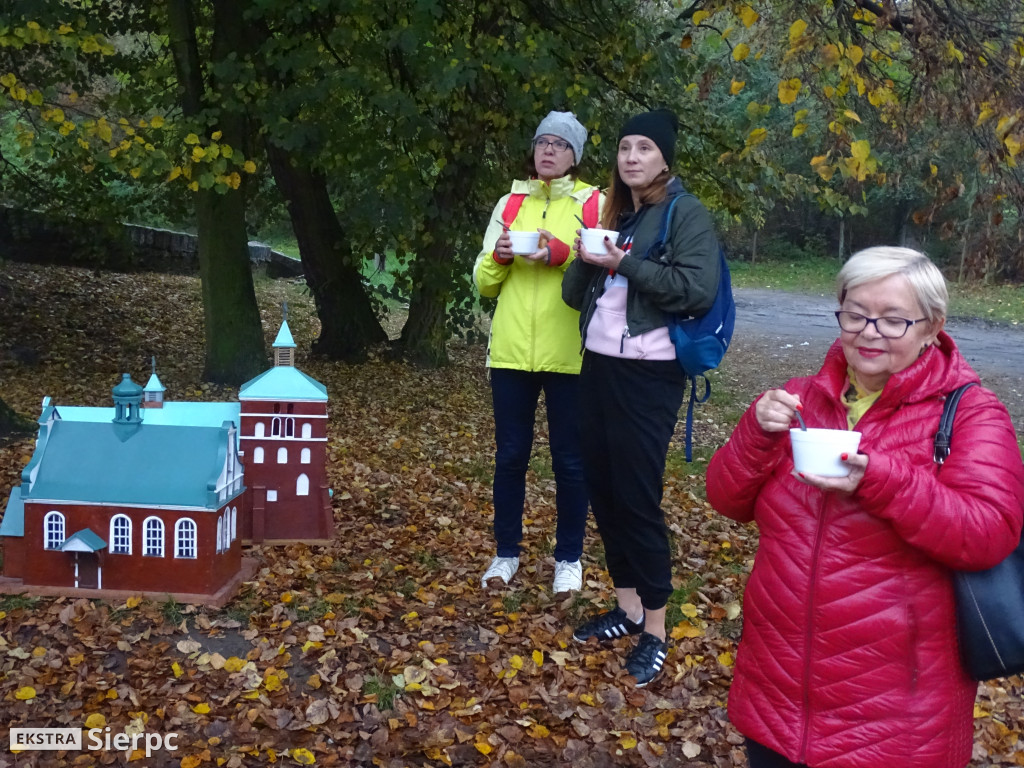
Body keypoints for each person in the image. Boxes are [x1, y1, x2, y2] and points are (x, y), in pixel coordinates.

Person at [706, 246, 1024, 768]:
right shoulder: (800, 399)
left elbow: (988, 533)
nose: (869, 332)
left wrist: (880, 478)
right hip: (778, 695)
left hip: (895, 720)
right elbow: (725, 498)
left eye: (894, 320)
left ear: (932, 326)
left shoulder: (971, 414)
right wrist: (755, 434)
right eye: (855, 314)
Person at [562, 109, 721, 686]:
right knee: (600, 488)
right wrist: (587, 256)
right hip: (597, 368)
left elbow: (695, 291)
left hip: (647, 377)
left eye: (644, 148)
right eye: (625, 147)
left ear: (665, 159)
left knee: (635, 495)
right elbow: (572, 298)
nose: (631, 157)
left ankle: (656, 628)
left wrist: (624, 263)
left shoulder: (686, 213)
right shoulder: (619, 215)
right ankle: (627, 607)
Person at [474, 111, 604, 594]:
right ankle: (505, 553)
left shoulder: (594, 204)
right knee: (510, 458)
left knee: (571, 462)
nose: (548, 150)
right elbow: (485, 285)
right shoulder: (509, 204)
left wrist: (562, 256)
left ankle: (568, 558)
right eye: (541, 142)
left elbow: (609, 272)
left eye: (560, 144)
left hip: (571, 355)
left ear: (575, 155)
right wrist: (500, 256)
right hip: (509, 355)